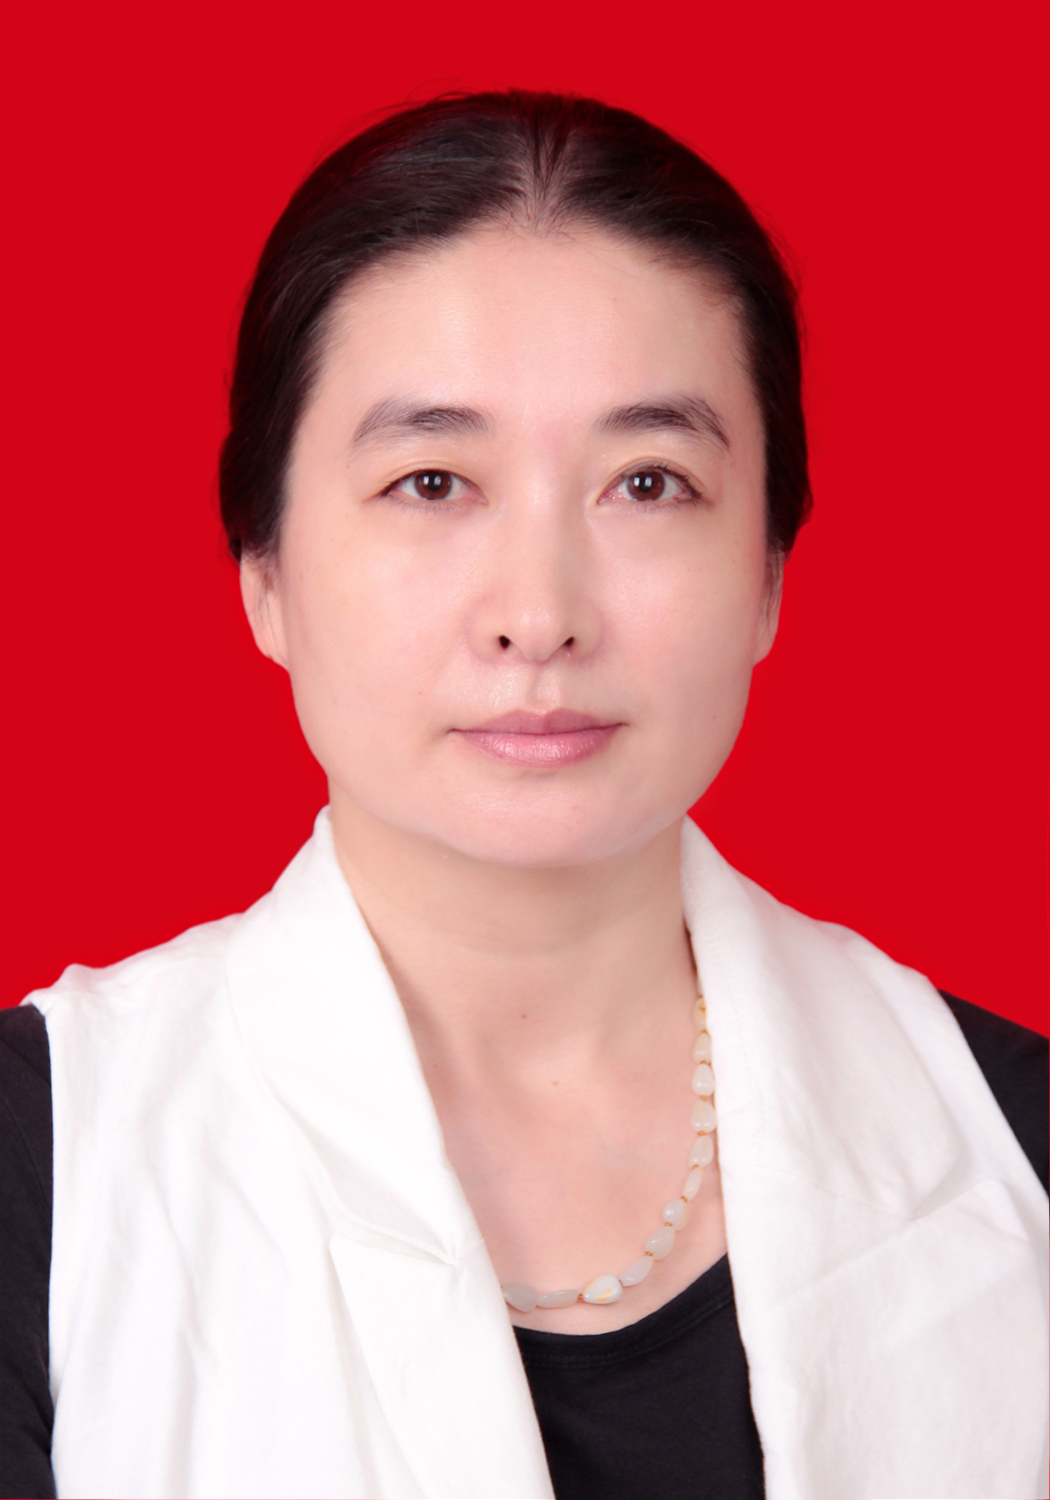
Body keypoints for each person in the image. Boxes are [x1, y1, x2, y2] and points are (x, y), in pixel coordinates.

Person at [0, 91, 1046, 1500]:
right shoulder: (44, 1168)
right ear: (263, 571)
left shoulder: (1010, 1150)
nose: (539, 613)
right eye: (432, 481)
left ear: (769, 576)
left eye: (647, 483)